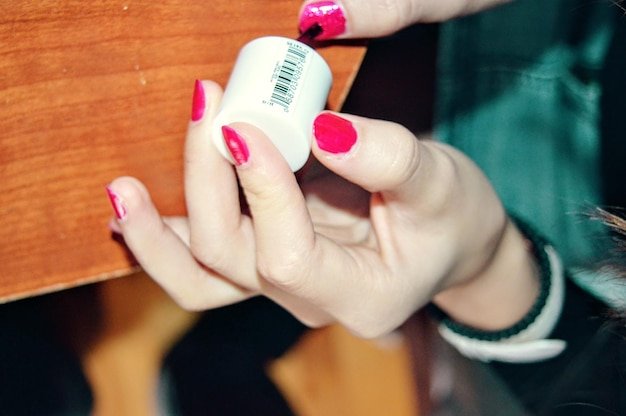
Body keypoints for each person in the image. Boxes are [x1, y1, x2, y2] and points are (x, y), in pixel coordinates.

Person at [107, 0, 625, 414]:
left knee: (295, 252)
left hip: (557, 222)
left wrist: (483, 263)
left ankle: (217, 356)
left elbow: (592, 376)